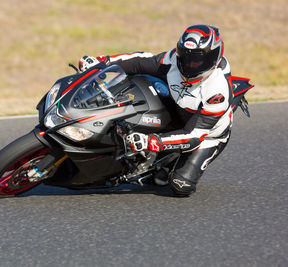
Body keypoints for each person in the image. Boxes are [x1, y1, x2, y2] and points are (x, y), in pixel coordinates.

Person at [78, 24, 232, 196]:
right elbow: (141, 61)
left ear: (213, 58)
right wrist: (103, 62)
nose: (190, 64)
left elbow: (193, 136)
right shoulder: (174, 59)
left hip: (206, 135)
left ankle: (168, 163)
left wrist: (150, 142)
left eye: (197, 60)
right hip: (175, 108)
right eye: (186, 57)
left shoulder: (217, 92)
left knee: (179, 185)